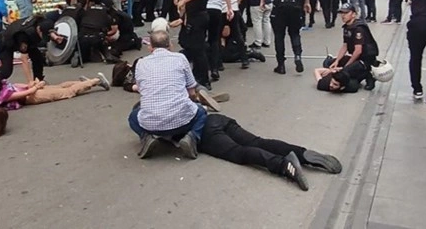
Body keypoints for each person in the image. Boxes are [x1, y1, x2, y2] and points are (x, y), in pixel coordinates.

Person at [200, 114, 342, 191]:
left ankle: (284, 165)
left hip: (204, 132)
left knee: (238, 152)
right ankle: (302, 154)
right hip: (217, 118)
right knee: (258, 142)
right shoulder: (181, 65)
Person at [128, 31, 207, 159]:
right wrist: (194, 101)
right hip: (181, 122)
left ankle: (146, 137)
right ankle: (192, 137)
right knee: (201, 112)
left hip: (151, 125)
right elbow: (191, 91)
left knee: (133, 117)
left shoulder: (141, 63)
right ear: (170, 44)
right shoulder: (180, 59)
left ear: (150, 47)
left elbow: (143, 91)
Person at [177, 0, 212, 88]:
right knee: (193, 47)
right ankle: (197, 76)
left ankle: (203, 79)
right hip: (195, 16)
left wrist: (183, 1)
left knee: (198, 49)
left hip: (198, 17)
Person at [325, 4, 380, 90]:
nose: (343, 15)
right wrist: (337, 61)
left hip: (364, 61)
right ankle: (351, 75)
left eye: (346, 13)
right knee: (328, 63)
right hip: (355, 58)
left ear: (354, 14)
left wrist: (346, 66)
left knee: (344, 73)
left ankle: (368, 75)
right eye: (342, 13)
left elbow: (358, 51)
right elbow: (345, 46)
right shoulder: (347, 27)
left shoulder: (359, 29)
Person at [0, 13, 61, 83]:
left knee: (38, 58)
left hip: (27, 39)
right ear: (38, 29)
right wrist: (30, 81)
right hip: (6, 43)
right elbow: (24, 59)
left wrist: (55, 36)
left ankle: (38, 80)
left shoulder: (43, 21)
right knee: (6, 71)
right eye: (43, 35)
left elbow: (48, 29)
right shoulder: (25, 35)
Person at [0, 71, 110, 109]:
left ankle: (89, 82)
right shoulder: (4, 95)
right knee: (65, 91)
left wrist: (33, 85)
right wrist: (36, 86)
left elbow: (22, 86)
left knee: (63, 88)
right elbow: (25, 93)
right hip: (31, 97)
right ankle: (94, 81)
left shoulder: (3, 87)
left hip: (33, 92)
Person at [208, 0, 247, 69]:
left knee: (217, 36)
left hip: (219, 7)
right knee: (237, 33)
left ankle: (218, 63)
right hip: (233, 7)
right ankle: (244, 59)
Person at [205, 0, 235, 82]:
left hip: (203, 9)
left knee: (201, 38)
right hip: (218, 9)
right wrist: (229, 7)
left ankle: (203, 66)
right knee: (215, 38)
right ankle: (216, 66)